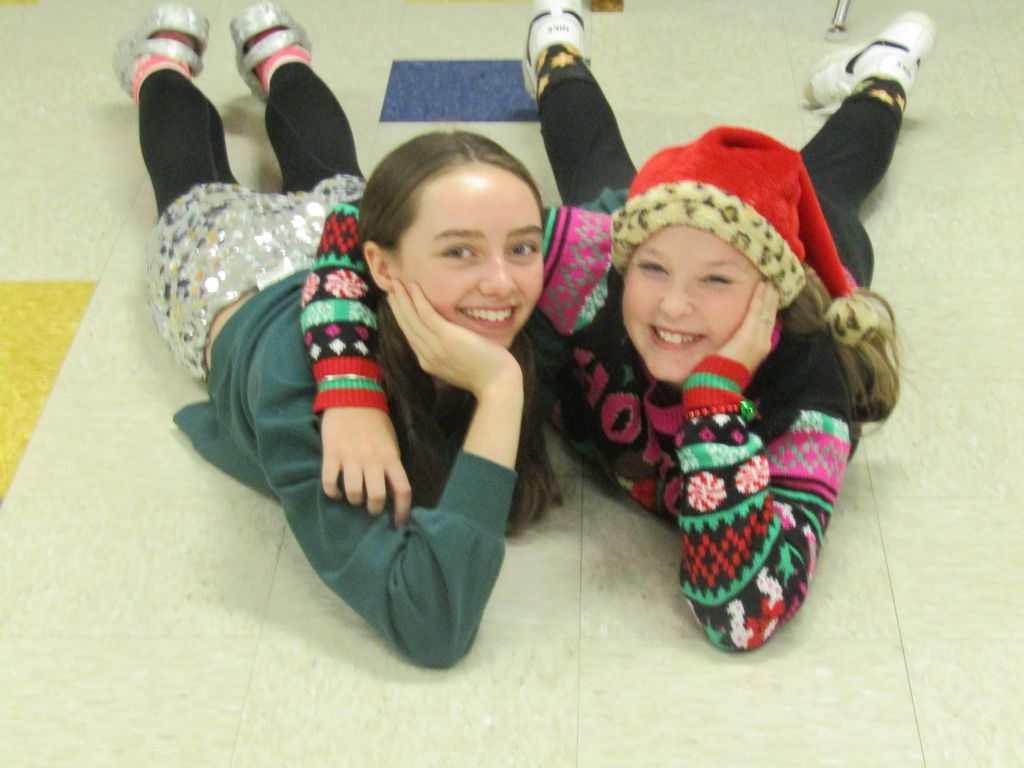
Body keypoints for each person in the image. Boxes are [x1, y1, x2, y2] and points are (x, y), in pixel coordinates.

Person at [314, 0, 934, 651]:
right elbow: (357, 226)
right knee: (594, 165)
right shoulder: (594, 258)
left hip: (806, 245)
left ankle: (883, 79)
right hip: (653, 221)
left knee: (830, 182)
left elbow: (741, 616)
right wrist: (352, 392)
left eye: (717, 281)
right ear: (623, 259)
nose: (673, 307)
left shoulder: (809, 397)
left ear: (767, 298)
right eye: (653, 273)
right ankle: (556, 51)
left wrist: (717, 402)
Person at [114, 2, 558, 668]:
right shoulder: (302, 394)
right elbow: (432, 624)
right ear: (381, 262)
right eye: (460, 251)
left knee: (337, 174)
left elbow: (350, 224)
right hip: (230, 274)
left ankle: (280, 60)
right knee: (192, 187)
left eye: (521, 247)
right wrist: (497, 391)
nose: (501, 283)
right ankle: (159, 66)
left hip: (344, 246)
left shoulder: (508, 300)